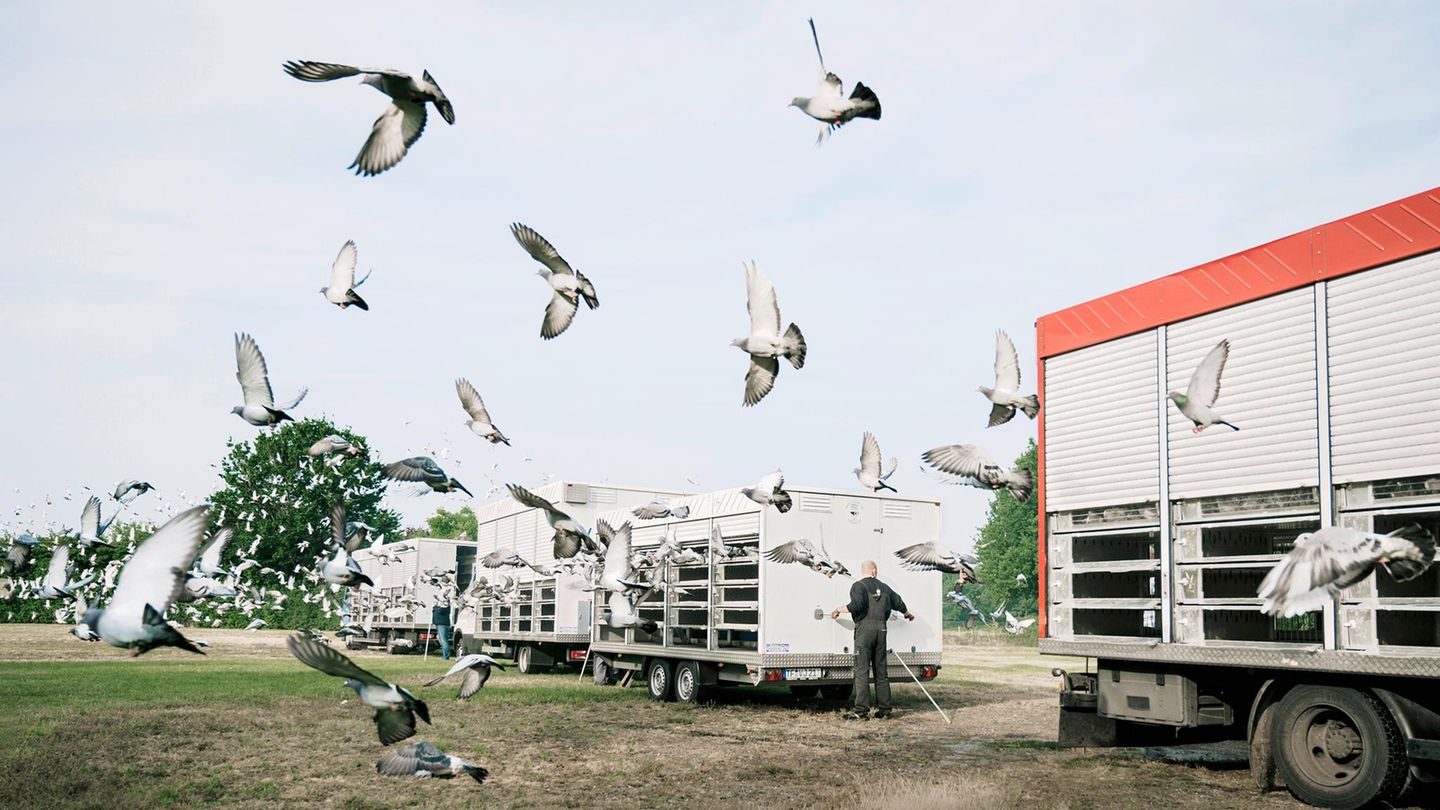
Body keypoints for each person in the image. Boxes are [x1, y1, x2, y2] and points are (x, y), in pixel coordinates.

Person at [831, 560, 913, 720]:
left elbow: (856, 605)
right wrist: (907, 613)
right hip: (881, 630)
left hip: (865, 631)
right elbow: (899, 602)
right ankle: (885, 710)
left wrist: (837, 610)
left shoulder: (858, 586)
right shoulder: (885, 587)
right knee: (881, 671)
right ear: (874, 571)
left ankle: (861, 711)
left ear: (865, 571)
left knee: (862, 671)